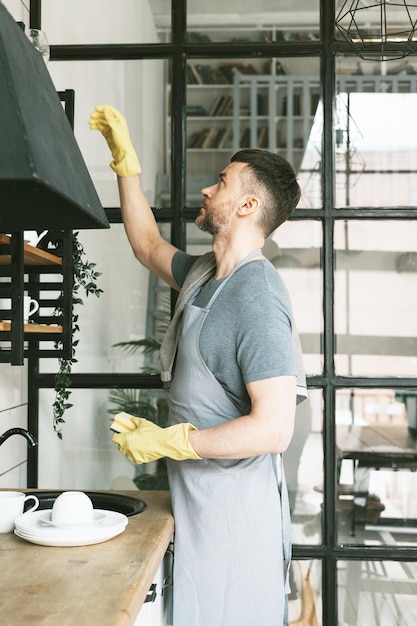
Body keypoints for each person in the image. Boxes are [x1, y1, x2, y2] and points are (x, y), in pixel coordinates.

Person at [89, 105, 307, 626]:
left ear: (247, 205)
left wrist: (169, 441)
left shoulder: (257, 295)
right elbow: (146, 245)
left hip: (235, 520)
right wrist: (125, 164)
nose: (208, 190)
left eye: (222, 183)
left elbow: (274, 429)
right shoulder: (207, 273)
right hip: (199, 501)